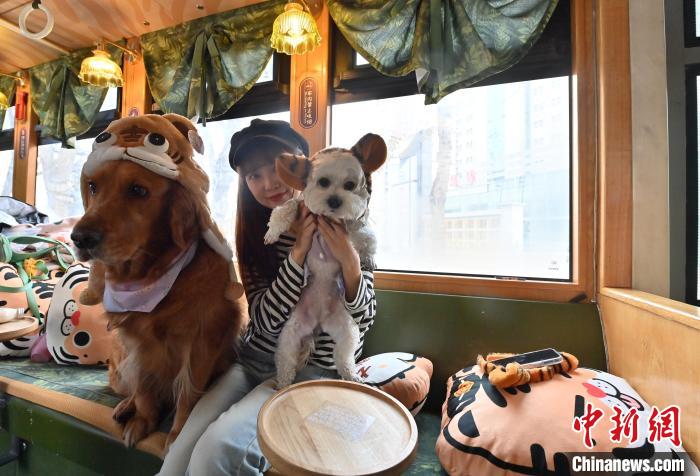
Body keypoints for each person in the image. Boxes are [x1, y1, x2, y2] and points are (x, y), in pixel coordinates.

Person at [158, 119, 377, 475]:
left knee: (215, 452)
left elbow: (365, 317)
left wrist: (350, 263)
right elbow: (263, 321)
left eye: (276, 168)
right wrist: (298, 252)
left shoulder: (350, 221)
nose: (268, 183)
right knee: (179, 453)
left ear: (303, 168)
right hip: (252, 361)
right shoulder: (260, 234)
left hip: (313, 370)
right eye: (253, 175)